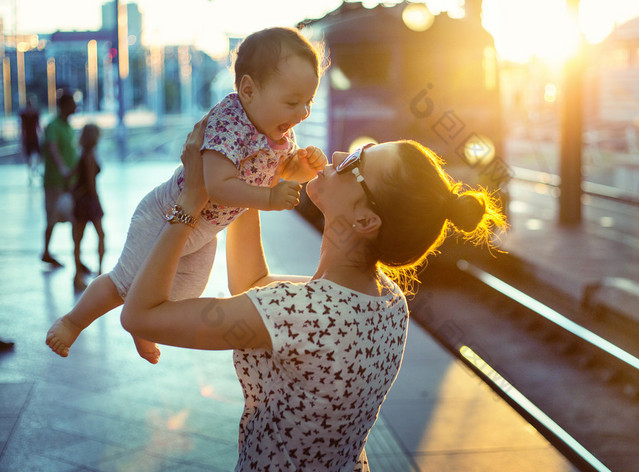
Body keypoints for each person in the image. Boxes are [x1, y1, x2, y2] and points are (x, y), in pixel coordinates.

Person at [120, 115, 506, 471]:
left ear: (366, 219)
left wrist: (190, 204)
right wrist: (254, 184)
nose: (338, 154)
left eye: (356, 161)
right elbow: (253, 284)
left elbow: (140, 317)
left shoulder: (300, 312)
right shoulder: (386, 301)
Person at [46, 26, 327, 364]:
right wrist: (269, 199)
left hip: (204, 231)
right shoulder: (230, 122)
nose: (302, 114)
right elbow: (218, 185)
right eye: (293, 102)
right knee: (123, 282)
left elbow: (279, 172)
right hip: (167, 214)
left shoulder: (277, 130)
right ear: (249, 90)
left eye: (308, 103)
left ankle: (144, 322)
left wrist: (300, 168)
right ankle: (73, 321)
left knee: (178, 299)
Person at [41, 93, 78, 268]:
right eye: (72, 103)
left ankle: (76, 256)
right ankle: (46, 251)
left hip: (70, 183)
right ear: (64, 105)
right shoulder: (53, 126)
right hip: (55, 182)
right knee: (52, 217)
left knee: (74, 219)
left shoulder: (68, 126)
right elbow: (52, 148)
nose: (75, 107)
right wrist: (63, 168)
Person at [71, 124, 106, 291]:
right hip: (90, 201)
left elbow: (72, 176)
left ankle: (77, 275)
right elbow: (92, 184)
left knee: (78, 240)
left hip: (79, 201)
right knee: (101, 235)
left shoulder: (81, 154)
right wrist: (98, 201)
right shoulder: (90, 156)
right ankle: (100, 272)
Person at [19, 96, 42, 184]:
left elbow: (38, 126)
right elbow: (22, 128)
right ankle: (31, 174)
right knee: (29, 157)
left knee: (37, 156)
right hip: (28, 138)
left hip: (33, 137)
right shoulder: (24, 115)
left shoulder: (35, 114)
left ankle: (35, 171)